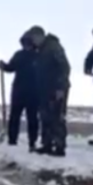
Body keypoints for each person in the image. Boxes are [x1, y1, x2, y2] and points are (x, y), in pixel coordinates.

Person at [26, 26, 71, 156]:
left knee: (56, 117)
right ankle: (47, 144)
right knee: (45, 117)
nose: (32, 41)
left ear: (39, 36)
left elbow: (64, 67)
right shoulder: (40, 50)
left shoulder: (53, 47)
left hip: (56, 88)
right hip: (44, 89)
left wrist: (60, 88)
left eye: (33, 38)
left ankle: (59, 146)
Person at [0, 33, 40, 151]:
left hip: (33, 92)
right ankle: (12, 141)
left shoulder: (38, 56)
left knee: (32, 118)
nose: (26, 45)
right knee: (14, 116)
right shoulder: (19, 55)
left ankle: (32, 142)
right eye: (24, 43)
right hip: (18, 90)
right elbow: (11, 68)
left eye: (28, 43)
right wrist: (3, 66)